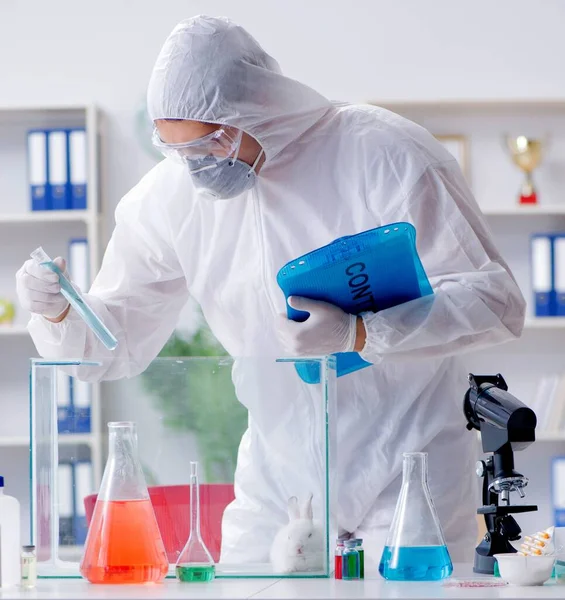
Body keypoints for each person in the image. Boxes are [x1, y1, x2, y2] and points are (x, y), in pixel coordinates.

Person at [16, 15, 525, 567]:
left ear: (257, 107)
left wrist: (363, 332)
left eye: (211, 142)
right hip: (276, 489)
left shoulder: (384, 153)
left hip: (407, 469)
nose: (199, 167)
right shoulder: (170, 198)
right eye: (178, 150)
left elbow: (496, 302)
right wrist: (62, 312)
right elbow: (111, 345)